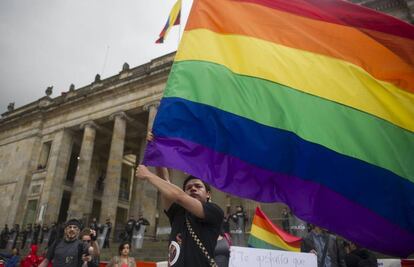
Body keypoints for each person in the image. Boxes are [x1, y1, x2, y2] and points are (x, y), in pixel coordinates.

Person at [135, 163, 224, 267]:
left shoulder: (214, 211)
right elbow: (165, 183)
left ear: (208, 194)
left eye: (198, 186)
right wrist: (158, 158)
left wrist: (148, 175)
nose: (193, 189)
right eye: (189, 187)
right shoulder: (178, 212)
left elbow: (178, 196)